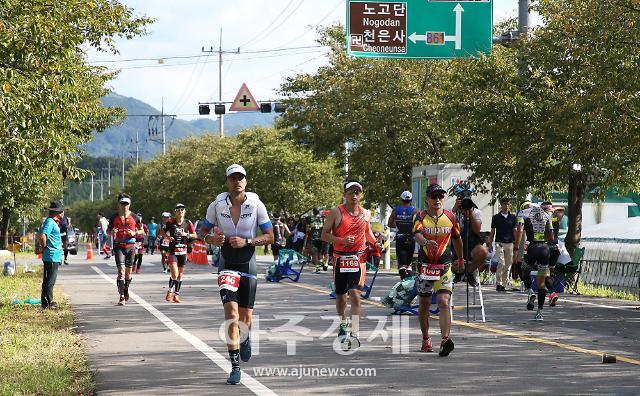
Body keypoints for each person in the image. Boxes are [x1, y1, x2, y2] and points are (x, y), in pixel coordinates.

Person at [199, 164, 274, 385]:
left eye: (240, 178)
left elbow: (270, 236)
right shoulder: (216, 205)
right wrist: (210, 239)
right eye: (233, 178)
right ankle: (234, 367)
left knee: (245, 318)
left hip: (248, 262)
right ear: (227, 183)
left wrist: (248, 241)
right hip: (227, 262)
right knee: (231, 315)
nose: (237, 182)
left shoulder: (256, 205)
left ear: (246, 182)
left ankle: (246, 336)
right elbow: (201, 231)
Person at [321, 181, 379, 351]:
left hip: (358, 259)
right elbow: (324, 235)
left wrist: (375, 244)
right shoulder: (336, 212)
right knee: (341, 296)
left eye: (357, 192)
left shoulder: (365, 213)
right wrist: (341, 240)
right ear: (345, 194)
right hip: (340, 258)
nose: (354, 195)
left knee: (355, 294)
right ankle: (342, 323)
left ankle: (355, 331)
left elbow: (367, 233)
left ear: (361, 195)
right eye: (351, 192)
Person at [413, 184, 465, 356]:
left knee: (443, 301)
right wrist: (426, 242)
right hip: (425, 266)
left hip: (445, 266)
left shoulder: (450, 217)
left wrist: (461, 258)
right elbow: (417, 235)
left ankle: (445, 339)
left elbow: (457, 238)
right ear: (427, 199)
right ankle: (426, 338)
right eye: (434, 196)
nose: (437, 200)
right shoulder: (420, 217)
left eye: (440, 197)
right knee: (425, 303)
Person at [515, 203, 555, 320]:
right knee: (541, 283)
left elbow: (520, 230)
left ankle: (530, 291)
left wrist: (516, 247)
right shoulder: (547, 215)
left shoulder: (523, 213)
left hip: (532, 247)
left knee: (524, 269)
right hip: (544, 249)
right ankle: (539, 312)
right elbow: (552, 236)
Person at [107, 193, 144, 306]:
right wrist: (112, 232)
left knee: (128, 274)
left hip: (131, 247)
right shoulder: (114, 217)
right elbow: (108, 231)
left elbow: (142, 231)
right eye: (122, 203)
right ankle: (121, 296)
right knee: (121, 271)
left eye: (126, 204)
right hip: (119, 246)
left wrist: (135, 233)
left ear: (130, 204)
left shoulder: (135, 217)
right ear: (119, 204)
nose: (125, 206)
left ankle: (126, 288)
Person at [452, 194, 488, 287]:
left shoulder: (476, 212)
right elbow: (448, 225)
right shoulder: (454, 212)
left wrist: (470, 212)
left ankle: (470, 272)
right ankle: (459, 273)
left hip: (472, 243)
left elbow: (477, 230)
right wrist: (455, 209)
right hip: (456, 245)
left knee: (483, 251)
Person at [164, 204, 197, 303]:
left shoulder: (188, 223)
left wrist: (186, 234)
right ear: (175, 212)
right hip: (173, 251)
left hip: (183, 251)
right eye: (178, 210)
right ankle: (170, 291)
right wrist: (168, 237)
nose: (180, 211)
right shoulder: (171, 222)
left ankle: (176, 294)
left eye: (182, 210)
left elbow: (194, 235)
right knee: (175, 273)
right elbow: (162, 232)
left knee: (180, 274)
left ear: (185, 211)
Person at [487, 198, 517, 292]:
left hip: (510, 243)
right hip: (499, 242)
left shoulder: (513, 218)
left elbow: (515, 231)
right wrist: (490, 244)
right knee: (501, 263)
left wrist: (516, 243)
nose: (506, 206)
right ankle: (499, 283)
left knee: (508, 264)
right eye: (504, 204)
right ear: (501, 205)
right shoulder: (496, 217)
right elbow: (492, 231)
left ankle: (504, 284)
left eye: (508, 204)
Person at [38, 202, 65, 309]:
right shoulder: (50, 222)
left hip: (51, 255)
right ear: (57, 212)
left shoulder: (50, 221)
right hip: (52, 255)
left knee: (47, 279)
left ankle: (44, 302)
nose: (64, 213)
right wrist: (44, 246)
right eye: (62, 211)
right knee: (50, 280)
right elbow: (42, 235)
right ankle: (50, 301)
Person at [388, 191, 419, 280]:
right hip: (411, 238)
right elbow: (418, 225)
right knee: (408, 264)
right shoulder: (415, 210)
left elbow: (390, 223)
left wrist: (398, 225)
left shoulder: (396, 210)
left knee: (402, 264)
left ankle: (404, 281)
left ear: (401, 200)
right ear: (411, 200)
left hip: (400, 238)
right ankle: (407, 282)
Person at [309, 208, 327, 273]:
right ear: (319, 212)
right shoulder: (323, 218)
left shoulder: (310, 218)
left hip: (314, 238)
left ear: (313, 212)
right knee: (320, 252)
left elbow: (307, 229)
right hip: (321, 238)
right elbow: (326, 227)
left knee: (315, 253)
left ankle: (317, 268)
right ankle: (323, 262)